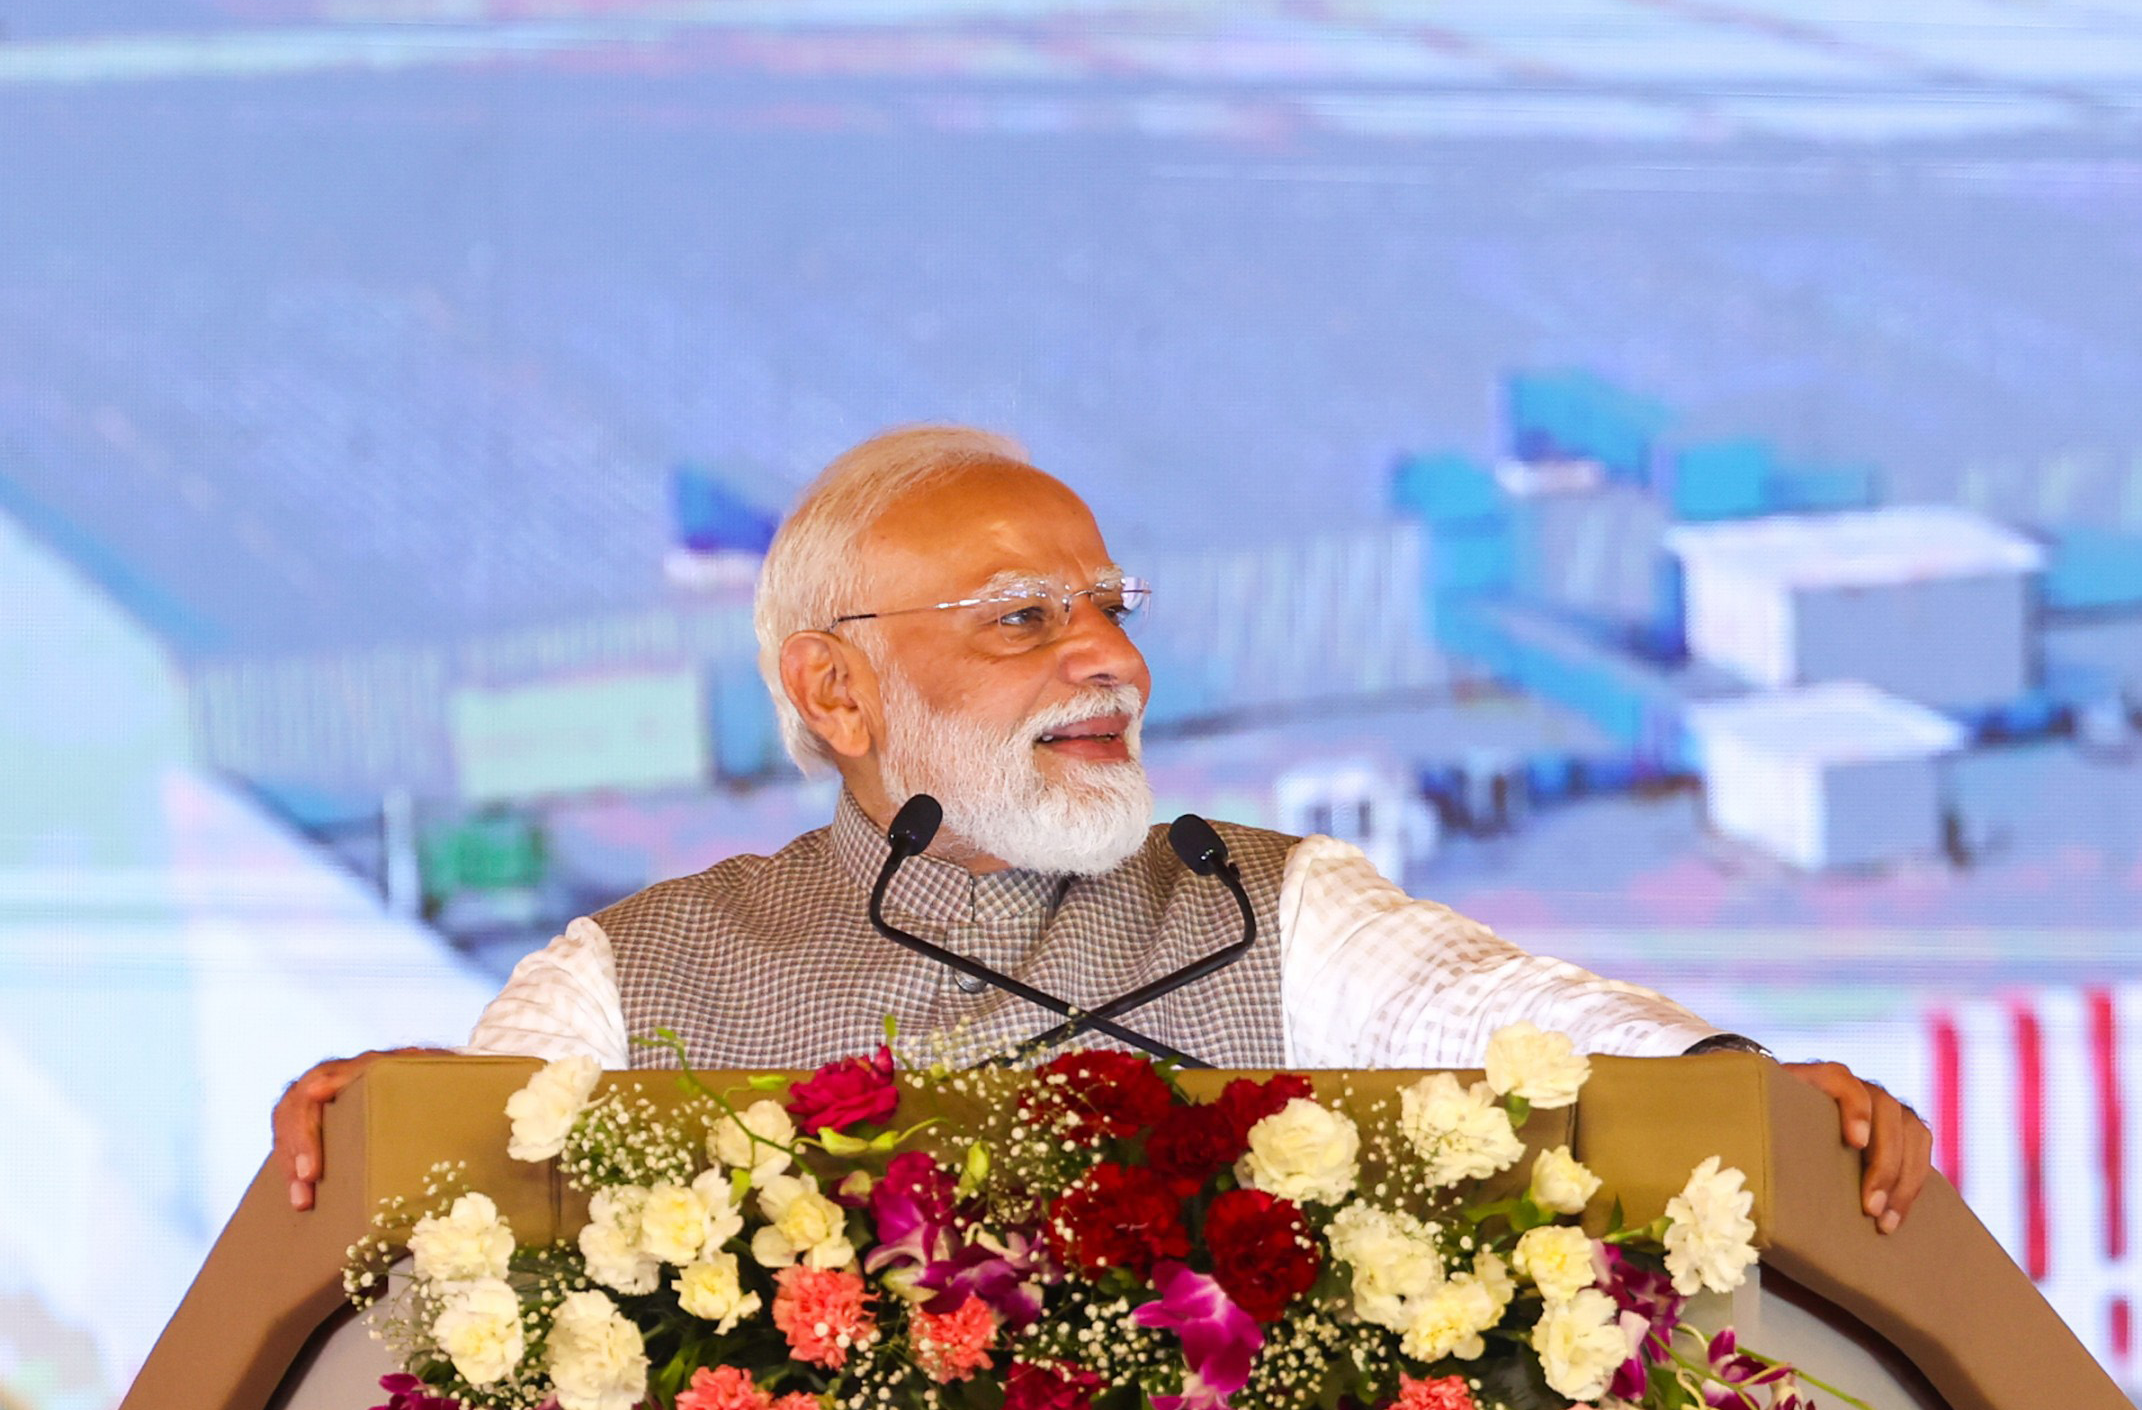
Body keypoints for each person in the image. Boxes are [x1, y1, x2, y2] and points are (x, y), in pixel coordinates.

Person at [275, 424, 1932, 1230]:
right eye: (1020, 620)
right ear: (836, 692)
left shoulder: (1264, 910)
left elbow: (1526, 1019)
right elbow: (473, 1171)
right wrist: (398, 1130)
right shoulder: (638, 981)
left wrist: (1730, 1083)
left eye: (1111, 611)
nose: (1112, 663)